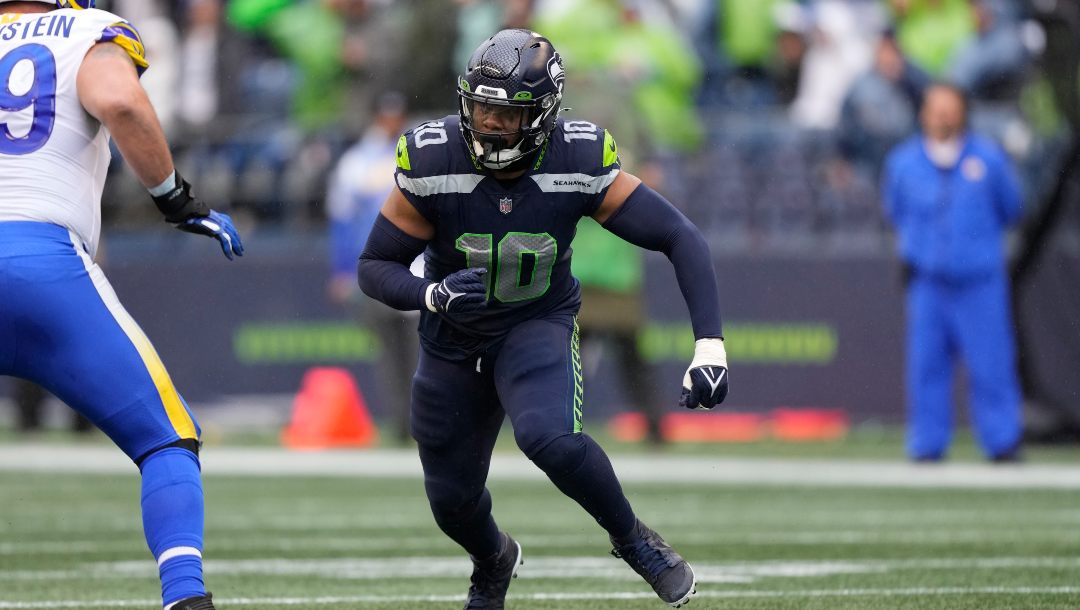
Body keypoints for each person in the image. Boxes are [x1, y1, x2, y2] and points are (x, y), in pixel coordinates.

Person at [358, 29, 728, 608]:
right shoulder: (435, 157)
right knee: (451, 502)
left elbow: (679, 236)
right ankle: (493, 560)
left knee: (548, 438)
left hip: (535, 322)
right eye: (479, 107)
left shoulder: (577, 158)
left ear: (544, 113)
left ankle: (633, 538)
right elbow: (375, 264)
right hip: (451, 336)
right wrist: (431, 294)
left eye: (505, 113)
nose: (487, 123)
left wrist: (710, 345)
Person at [0, 2, 244, 609]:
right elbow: (121, 102)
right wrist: (176, 201)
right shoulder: (87, 27)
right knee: (167, 439)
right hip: (40, 256)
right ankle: (186, 597)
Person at [882, 83, 1023, 463]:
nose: (943, 115)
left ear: (962, 112)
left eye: (950, 108)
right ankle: (927, 444)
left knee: (991, 363)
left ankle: (1002, 440)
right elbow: (893, 211)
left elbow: (1013, 207)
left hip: (979, 280)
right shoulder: (903, 163)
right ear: (923, 114)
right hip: (928, 280)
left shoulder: (989, 160)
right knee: (926, 366)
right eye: (936, 108)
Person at [326, 91, 417, 444]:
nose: (391, 123)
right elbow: (343, 220)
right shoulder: (357, 162)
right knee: (390, 353)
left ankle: (425, 422)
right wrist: (343, 270)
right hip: (378, 266)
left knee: (422, 350)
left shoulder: (421, 154)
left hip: (419, 266)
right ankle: (400, 424)